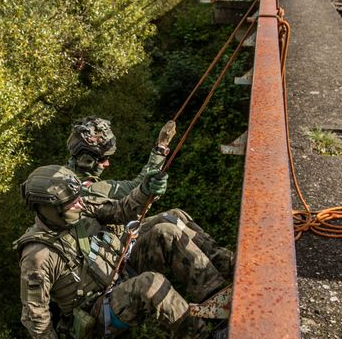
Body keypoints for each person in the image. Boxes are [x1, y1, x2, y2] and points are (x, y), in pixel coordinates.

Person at [15, 165, 229, 339]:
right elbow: (35, 313)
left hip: (123, 266)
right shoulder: (37, 257)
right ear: (49, 209)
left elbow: (120, 210)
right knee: (151, 284)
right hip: (101, 307)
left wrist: (144, 191)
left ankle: (219, 297)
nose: (80, 204)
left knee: (169, 226)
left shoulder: (79, 204)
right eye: (72, 204)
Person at [65, 116, 235, 278]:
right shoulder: (85, 189)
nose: (107, 164)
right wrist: (161, 147)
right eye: (104, 159)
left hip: (117, 245)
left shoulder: (72, 183)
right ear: (87, 160)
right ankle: (215, 284)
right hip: (114, 262)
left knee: (175, 216)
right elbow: (136, 187)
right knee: (167, 232)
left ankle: (227, 263)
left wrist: (161, 147)